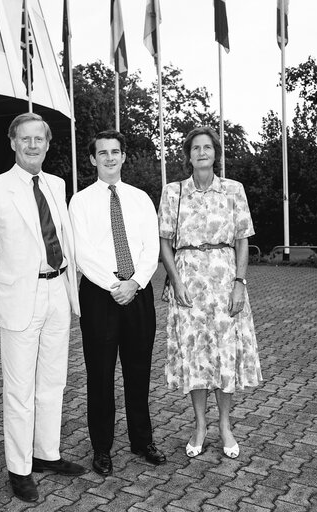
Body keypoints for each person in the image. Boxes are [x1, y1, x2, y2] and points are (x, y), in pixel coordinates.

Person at [0, 112, 84, 503]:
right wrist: (12, 284)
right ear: (12, 143)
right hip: (22, 298)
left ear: (48, 144)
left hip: (58, 295)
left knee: (53, 382)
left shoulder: (56, 184)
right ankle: (19, 468)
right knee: (19, 389)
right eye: (25, 139)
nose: (33, 145)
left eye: (40, 139)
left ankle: (46, 453)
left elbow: (64, 239)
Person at [158, 126, 262, 460]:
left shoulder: (234, 190)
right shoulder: (173, 192)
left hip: (223, 283)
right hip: (188, 284)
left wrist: (239, 283)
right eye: (196, 148)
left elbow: (243, 238)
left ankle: (225, 424)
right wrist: (175, 280)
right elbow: (164, 240)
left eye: (208, 148)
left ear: (215, 154)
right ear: (188, 155)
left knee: (225, 354)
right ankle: (200, 424)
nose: (202, 152)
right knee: (196, 356)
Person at [68, 130, 166, 476]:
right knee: (100, 375)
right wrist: (114, 285)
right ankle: (102, 448)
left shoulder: (140, 198)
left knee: (138, 373)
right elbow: (82, 252)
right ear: (93, 159)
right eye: (102, 153)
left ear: (124, 157)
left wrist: (135, 282)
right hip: (100, 294)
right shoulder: (79, 202)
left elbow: (149, 247)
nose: (109, 158)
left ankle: (142, 442)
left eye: (115, 152)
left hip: (137, 292)